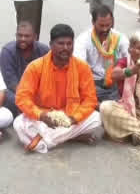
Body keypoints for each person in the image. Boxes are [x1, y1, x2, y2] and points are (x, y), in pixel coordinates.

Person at [12, 23, 103, 153]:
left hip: (70, 115)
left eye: (69, 44)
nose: (65, 48)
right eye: (61, 44)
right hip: (43, 116)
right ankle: (68, 137)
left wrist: (74, 118)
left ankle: (42, 142)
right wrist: (41, 115)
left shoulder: (82, 67)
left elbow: (90, 100)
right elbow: (22, 98)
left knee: (96, 118)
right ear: (51, 44)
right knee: (18, 123)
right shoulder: (36, 67)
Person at [72, 4, 130, 103]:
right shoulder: (83, 40)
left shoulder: (120, 38)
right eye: (101, 25)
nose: (105, 29)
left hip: (115, 84)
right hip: (92, 84)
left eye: (108, 25)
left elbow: (130, 61)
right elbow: (79, 68)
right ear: (93, 22)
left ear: (112, 22)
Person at [0, 21, 50, 117]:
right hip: (16, 92)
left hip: (38, 92)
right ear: (16, 35)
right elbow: (11, 83)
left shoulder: (44, 50)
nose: (23, 39)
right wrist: (29, 100)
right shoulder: (7, 51)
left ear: (35, 37)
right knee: (8, 96)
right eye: (20, 35)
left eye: (27, 36)